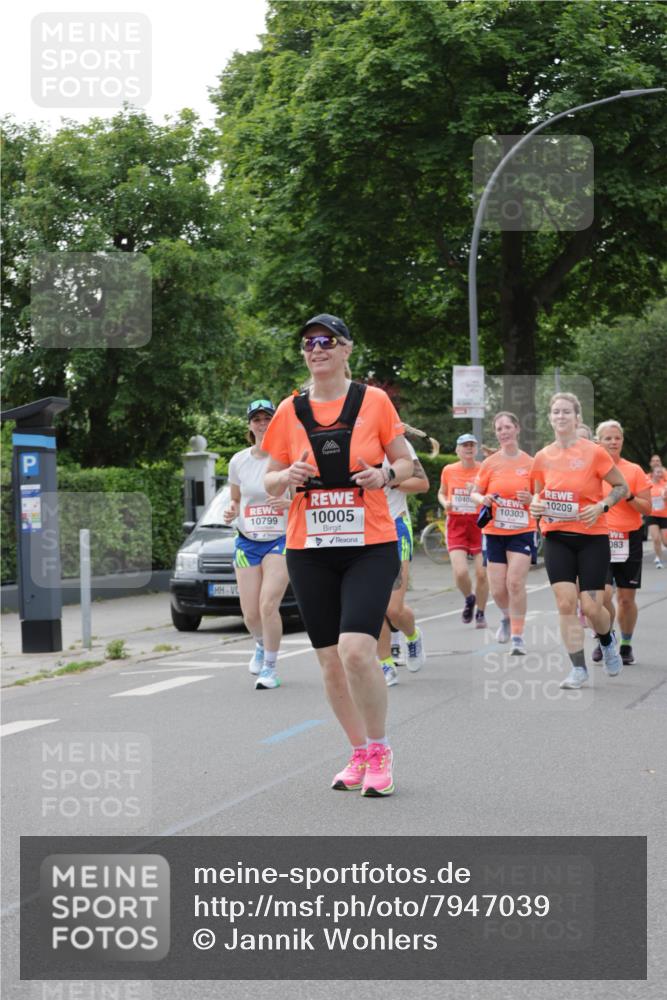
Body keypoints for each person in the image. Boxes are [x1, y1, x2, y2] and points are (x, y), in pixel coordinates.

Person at [263, 314, 413, 797]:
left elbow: (407, 460)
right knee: (328, 660)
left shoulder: (374, 401)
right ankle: (358, 752)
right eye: (308, 342)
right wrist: (286, 478)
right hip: (309, 549)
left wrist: (386, 476)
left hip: (369, 545)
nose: (316, 348)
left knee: (355, 650)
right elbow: (267, 477)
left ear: (347, 349)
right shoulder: (290, 410)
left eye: (326, 340)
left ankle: (381, 747)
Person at [530, 392, 628, 689]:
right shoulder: (542, 456)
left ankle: (607, 638)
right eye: (556, 412)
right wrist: (535, 504)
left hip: (592, 537)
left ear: (577, 418)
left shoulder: (594, 452)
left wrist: (602, 506)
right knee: (565, 603)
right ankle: (578, 669)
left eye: (566, 412)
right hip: (557, 535)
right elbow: (538, 494)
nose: (561, 416)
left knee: (591, 606)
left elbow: (620, 486)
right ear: (550, 418)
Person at [223, 399, 290, 690]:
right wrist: (231, 510)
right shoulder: (238, 461)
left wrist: (287, 502)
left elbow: (304, 497)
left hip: (280, 538)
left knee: (268, 604)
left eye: (267, 418)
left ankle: (271, 668)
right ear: (250, 425)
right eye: (257, 419)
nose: (262, 424)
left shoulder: (286, 458)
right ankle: (261, 645)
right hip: (247, 540)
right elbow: (236, 499)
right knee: (250, 613)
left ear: (275, 422)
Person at [470, 411, 536, 655]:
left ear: (517, 429)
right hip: (494, 531)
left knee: (515, 583)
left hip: (522, 530)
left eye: (508, 427)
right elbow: (474, 493)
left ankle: (518, 636)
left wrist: (531, 498)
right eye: (499, 429)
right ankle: (507, 617)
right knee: (497, 589)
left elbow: (541, 496)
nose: (504, 432)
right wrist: (483, 498)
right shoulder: (490, 463)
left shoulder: (531, 463)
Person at [592, 420, 651, 666]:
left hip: (629, 538)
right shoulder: (591, 469)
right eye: (608, 438)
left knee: (626, 599)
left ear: (622, 441)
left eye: (617, 438)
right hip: (598, 537)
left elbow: (647, 507)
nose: (613, 442)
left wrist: (629, 496)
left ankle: (626, 644)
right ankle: (605, 638)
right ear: (599, 442)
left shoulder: (634, 470)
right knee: (601, 595)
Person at [377, 437, 430, 685]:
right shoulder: (348, 441)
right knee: (372, 607)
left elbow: (422, 483)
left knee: (393, 609)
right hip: (362, 531)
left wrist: (388, 479)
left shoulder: (397, 444)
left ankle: (412, 635)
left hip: (395, 526)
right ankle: (385, 664)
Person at [438, 433, 489, 627]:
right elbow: (441, 492)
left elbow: (492, 492)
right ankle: (469, 598)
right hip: (456, 524)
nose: (468, 448)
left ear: (476, 450)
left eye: (471, 445)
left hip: (479, 524)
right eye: (464, 445)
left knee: (482, 573)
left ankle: (481, 613)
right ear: (457, 450)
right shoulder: (449, 470)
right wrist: (446, 503)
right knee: (460, 573)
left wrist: (477, 492)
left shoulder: (483, 469)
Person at [647, 464, 667, 568]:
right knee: (655, 538)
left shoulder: (665, 485)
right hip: (652, 515)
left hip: (664, 516)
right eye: (657, 472)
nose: (660, 474)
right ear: (653, 474)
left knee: (665, 542)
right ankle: (658, 559)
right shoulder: (648, 485)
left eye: (661, 472)